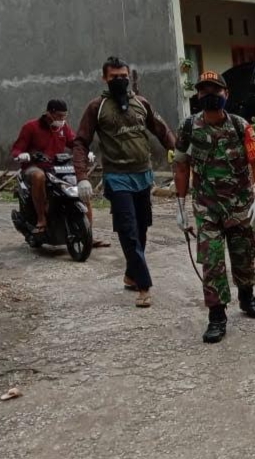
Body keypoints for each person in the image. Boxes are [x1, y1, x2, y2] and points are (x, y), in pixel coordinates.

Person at [73, 57, 176, 308]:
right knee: (129, 232)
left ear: (129, 77)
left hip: (143, 176)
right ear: (104, 79)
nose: (119, 80)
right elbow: (80, 142)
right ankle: (144, 286)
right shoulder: (96, 107)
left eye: (123, 76)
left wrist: (179, 154)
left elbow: (162, 131)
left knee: (141, 229)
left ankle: (131, 275)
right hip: (117, 179)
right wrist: (82, 177)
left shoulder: (141, 104)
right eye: (114, 77)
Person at [174, 70, 255, 344]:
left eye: (215, 91)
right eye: (204, 91)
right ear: (197, 95)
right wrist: (180, 205)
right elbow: (180, 165)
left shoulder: (241, 126)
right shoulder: (189, 128)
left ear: (226, 94)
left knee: (243, 255)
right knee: (212, 261)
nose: (210, 96)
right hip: (207, 208)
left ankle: (247, 297)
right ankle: (217, 316)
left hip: (240, 206)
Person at [11, 100, 76, 235]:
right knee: (38, 176)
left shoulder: (64, 128)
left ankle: (88, 234)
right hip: (34, 167)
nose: (62, 119)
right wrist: (24, 155)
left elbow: (75, 143)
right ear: (49, 113)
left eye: (64, 116)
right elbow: (16, 150)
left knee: (81, 183)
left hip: (56, 168)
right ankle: (41, 219)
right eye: (59, 116)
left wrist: (86, 151)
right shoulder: (31, 127)